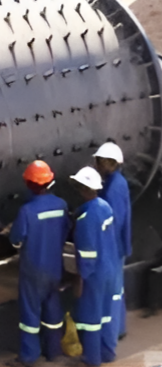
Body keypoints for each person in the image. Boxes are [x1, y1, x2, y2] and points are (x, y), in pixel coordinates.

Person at [9, 160, 70, 366]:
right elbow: (65, 231)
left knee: (30, 313)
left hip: (33, 271)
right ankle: (53, 351)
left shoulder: (26, 211)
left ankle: (29, 356)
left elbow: (16, 240)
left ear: (29, 184)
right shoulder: (61, 205)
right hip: (55, 268)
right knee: (53, 310)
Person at [70, 166, 118, 366]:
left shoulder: (86, 219)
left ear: (83, 189)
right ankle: (107, 353)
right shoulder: (105, 207)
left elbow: (88, 254)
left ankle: (92, 358)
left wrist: (81, 279)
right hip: (110, 269)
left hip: (95, 275)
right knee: (105, 314)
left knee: (90, 318)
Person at [94, 142, 131, 340]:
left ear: (111, 163)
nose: (97, 166)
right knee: (116, 290)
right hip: (116, 245)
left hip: (113, 246)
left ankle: (114, 331)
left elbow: (113, 221)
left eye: (100, 162)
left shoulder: (113, 188)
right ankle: (118, 328)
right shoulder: (115, 182)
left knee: (113, 291)